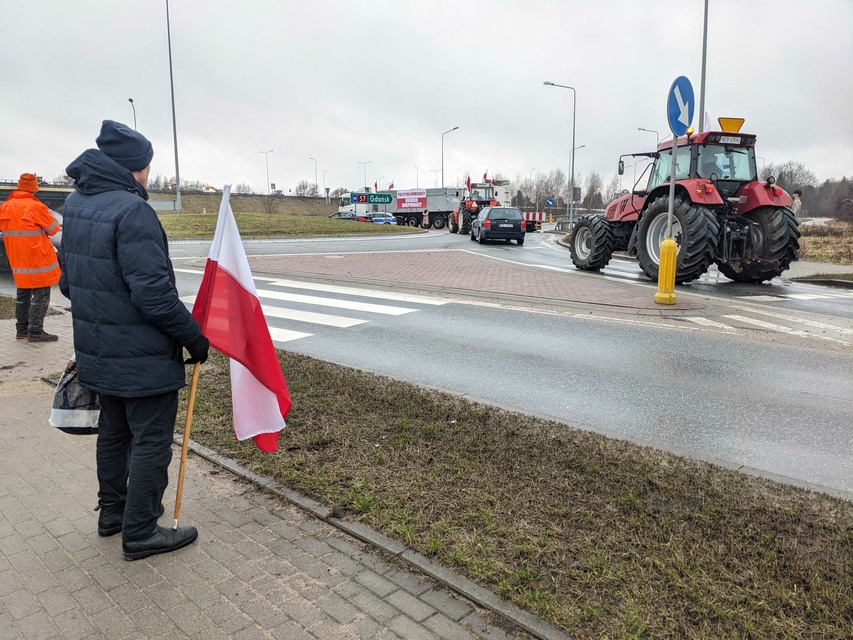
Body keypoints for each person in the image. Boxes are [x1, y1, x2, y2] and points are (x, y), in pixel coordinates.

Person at [59, 120, 209, 561]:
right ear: (132, 167)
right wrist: (193, 338)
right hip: (142, 356)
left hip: (98, 352)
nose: (148, 173)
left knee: (115, 432)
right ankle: (141, 530)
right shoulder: (132, 211)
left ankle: (113, 514)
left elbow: (69, 284)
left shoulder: (76, 203)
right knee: (149, 439)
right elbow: (154, 295)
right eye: (146, 165)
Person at [0, 173, 62, 342]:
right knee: (41, 296)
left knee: (23, 296)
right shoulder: (36, 207)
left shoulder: (5, 206)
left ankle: (21, 330)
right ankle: (35, 331)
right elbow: (54, 229)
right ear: (35, 189)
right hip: (37, 259)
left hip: (17, 260)